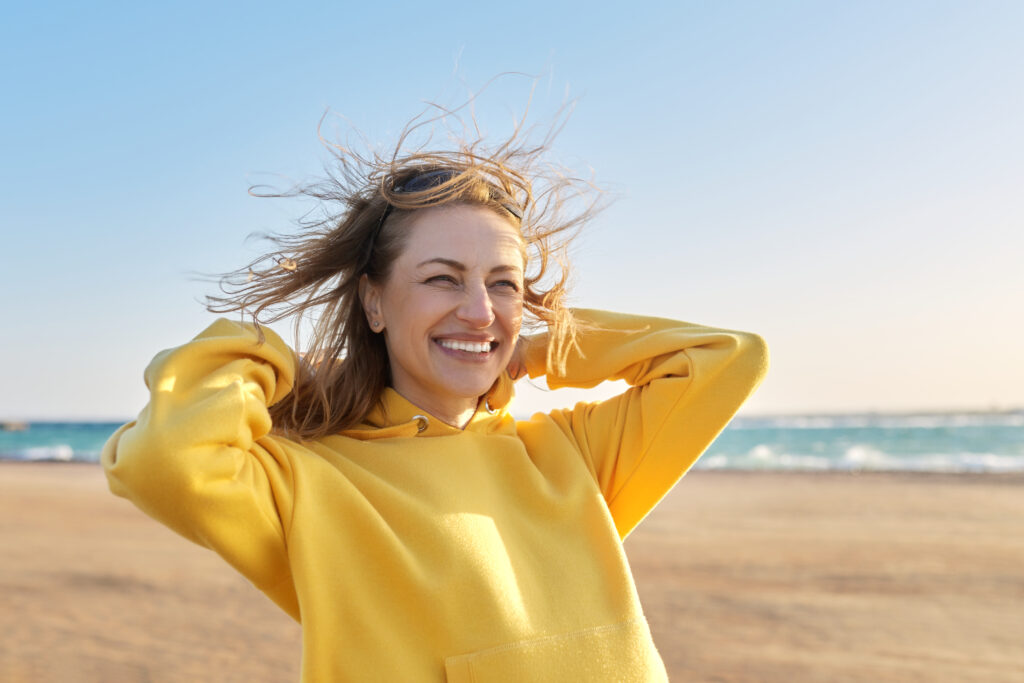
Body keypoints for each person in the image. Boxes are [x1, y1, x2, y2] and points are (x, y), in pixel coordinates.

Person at [101, 115, 768, 681]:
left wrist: (526, 347)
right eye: (443, 279)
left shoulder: (571, 453)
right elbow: (163, 459)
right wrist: (289, 367)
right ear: (374, 301)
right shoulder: (309, 481)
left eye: (503, 284)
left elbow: (724, 359)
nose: (479, 309)